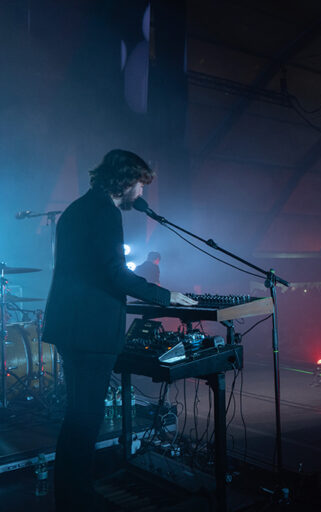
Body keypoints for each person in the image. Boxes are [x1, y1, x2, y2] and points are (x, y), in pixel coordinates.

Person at [43, 149, 197, 511]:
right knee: (86, 418)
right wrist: (165, 295)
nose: (141, 194)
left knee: (77, 415)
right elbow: (113, 273)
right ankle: (76, 500)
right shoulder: (105, 212)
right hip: (91, 331)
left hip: (70, 326)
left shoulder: (77, 209)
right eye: (141, 185)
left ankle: (70, 495)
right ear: (126, 181)